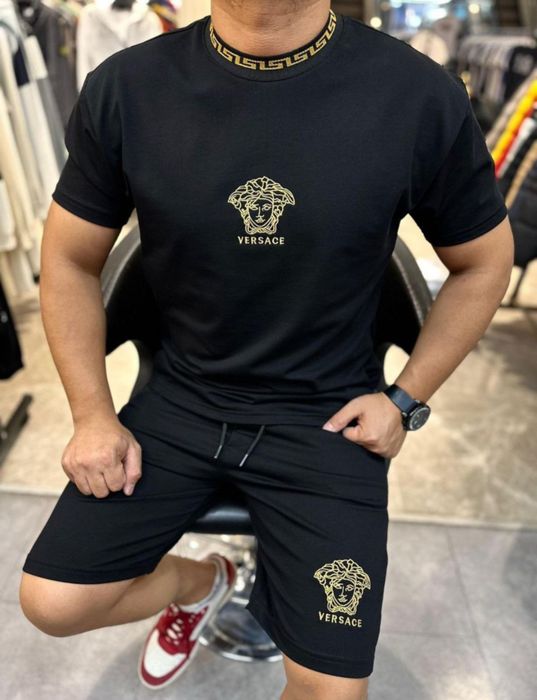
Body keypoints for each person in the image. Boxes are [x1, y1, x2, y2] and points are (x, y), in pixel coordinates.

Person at [18, 1, 514, 699]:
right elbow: (69, 260)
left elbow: (484, 262)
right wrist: (91, 414)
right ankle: (203, 584)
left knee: (330, 690)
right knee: (53, 602)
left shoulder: (417, 94)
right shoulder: (128, 87)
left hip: (325, 418)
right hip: (182, 400)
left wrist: (405, 399)